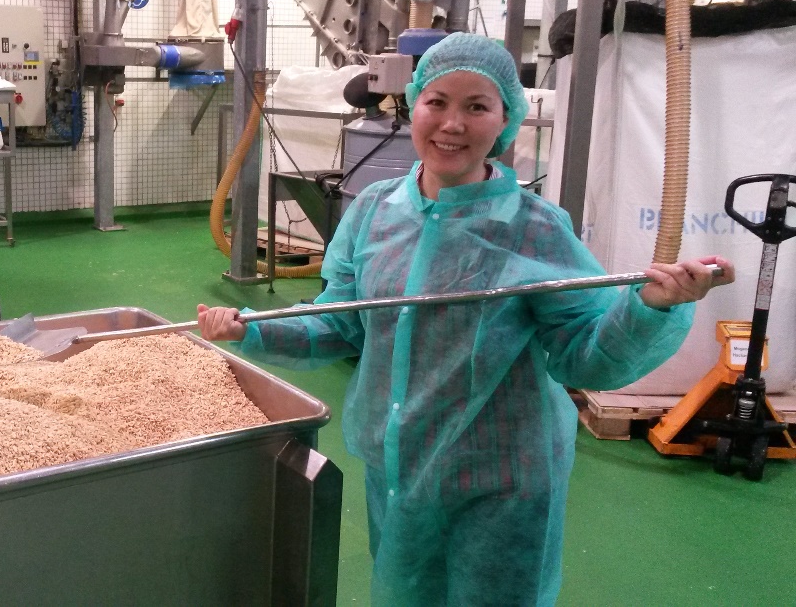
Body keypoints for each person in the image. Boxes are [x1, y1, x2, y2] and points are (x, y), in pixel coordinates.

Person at [197, 33, 735, 606]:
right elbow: (342, 321)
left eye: (477, 106)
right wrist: (252, 328)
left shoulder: (534, 227)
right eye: (437, 101)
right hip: (400, 467)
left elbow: (585, 353)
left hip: (503, 479)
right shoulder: (375, 211)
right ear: (413, 105)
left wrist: (651, 307)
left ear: (505, 120)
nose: (452, 124)